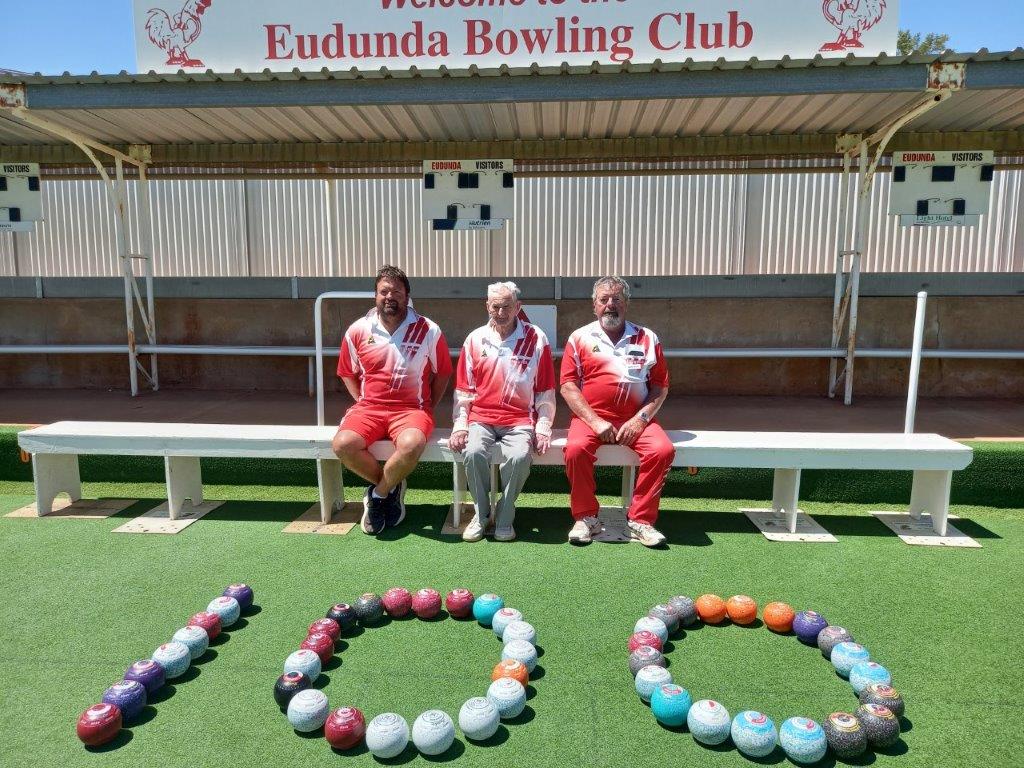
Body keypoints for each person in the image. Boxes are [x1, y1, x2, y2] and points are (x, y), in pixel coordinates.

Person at [332, 265, 452, 535]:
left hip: (411, 410)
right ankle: (389, 488)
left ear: (407, 296)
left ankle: (377, 495)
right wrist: (360, 398)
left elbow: (443, 372)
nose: (390, 296)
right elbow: (346, 371)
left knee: (412, 444)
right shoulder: (358, 329)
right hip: (368, 408)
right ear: (375, 296)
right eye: (383, 291)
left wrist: (428, 406)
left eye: (396, 291)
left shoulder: (428, 330)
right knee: (342, 445)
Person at [560, 276, 674, 547]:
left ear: (627, 304)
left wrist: (640, 419)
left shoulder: (647, 337)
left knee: (662, 450)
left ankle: (641, 521)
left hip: (636, 418)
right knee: (575, 450)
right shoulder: (580, 338)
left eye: (617, 300)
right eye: (604, 300)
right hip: (590, 418)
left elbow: (660, 387)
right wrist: (595, 421)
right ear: (594, 305)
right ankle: (586, 517)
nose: (610, 305)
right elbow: (567, 386)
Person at [449, 282, 555, 542]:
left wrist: (542, 427)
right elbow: (464, 389)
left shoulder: (536, 338)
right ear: (487, 306)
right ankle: (482, 514)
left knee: (519, 457)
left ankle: (506, 517)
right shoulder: (475, 339)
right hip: (481, 419)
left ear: (518, 307)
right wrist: (460, 425)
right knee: (472, 453)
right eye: (495, 306)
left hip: (519, 420)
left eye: (507, 306)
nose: (500, 312)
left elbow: (545, 389)